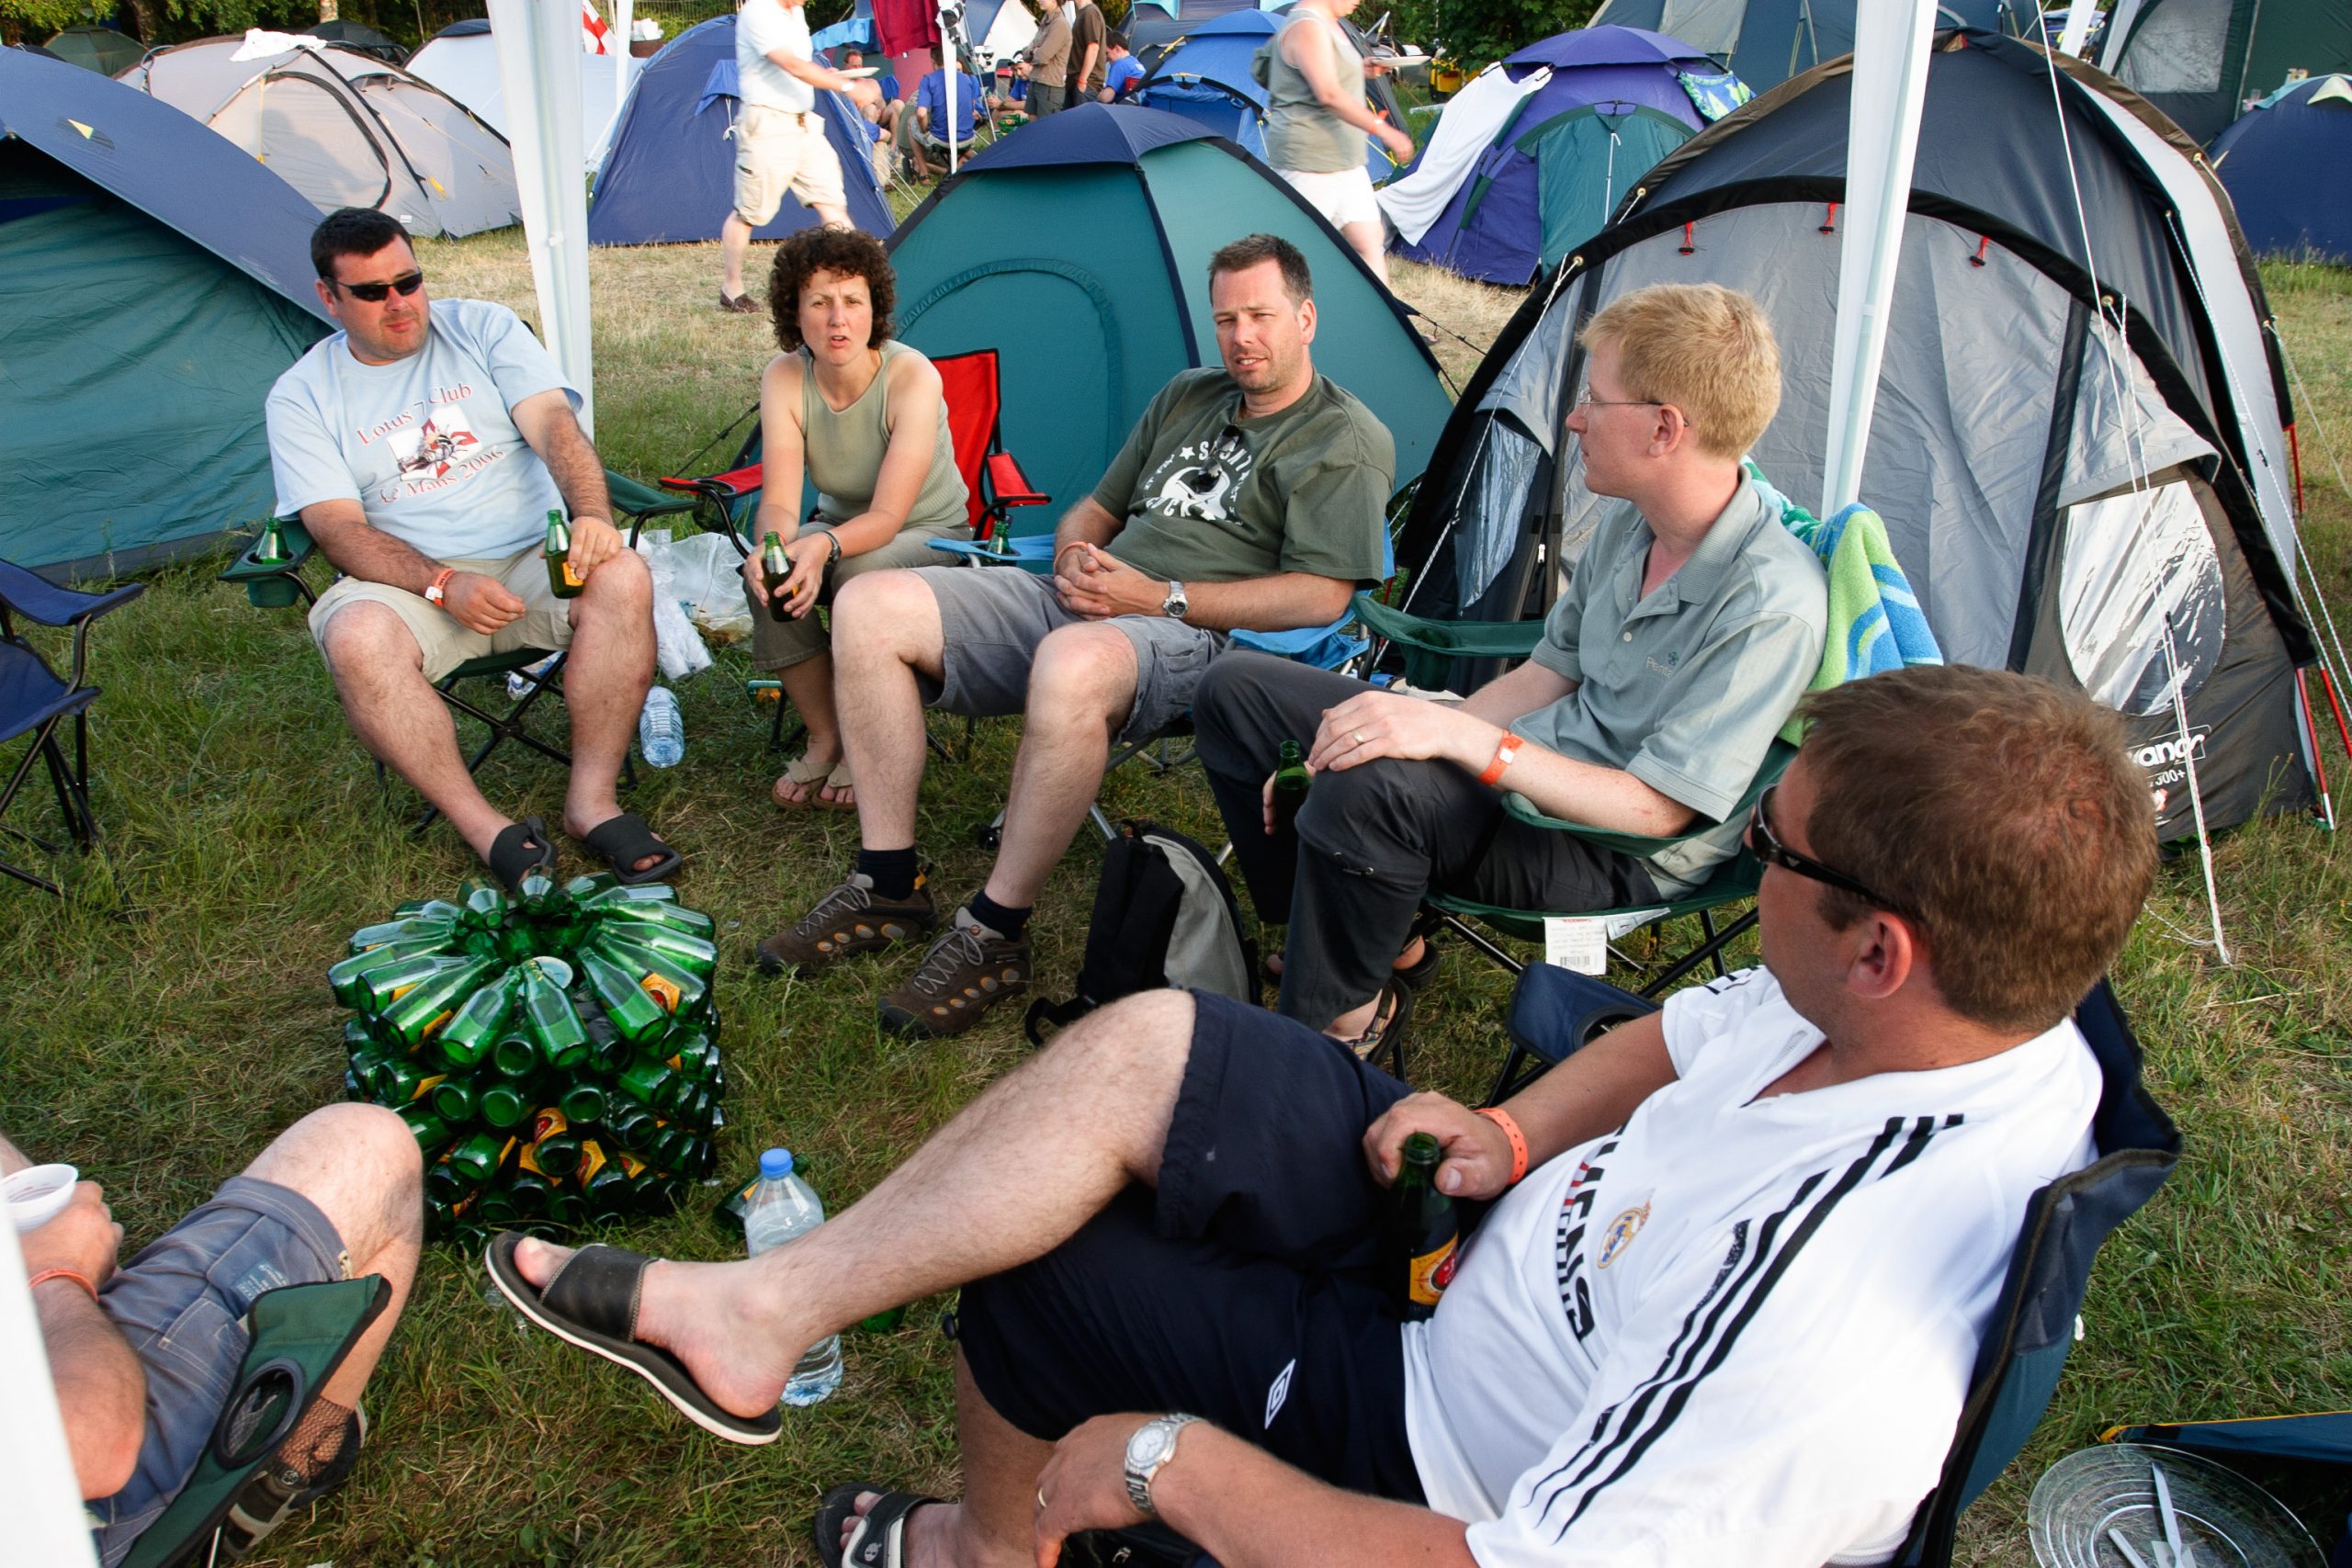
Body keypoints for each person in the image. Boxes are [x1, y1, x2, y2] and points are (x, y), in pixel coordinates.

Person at [486, 662, 2161, 1568]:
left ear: (1884, 946)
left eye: (1772, 856)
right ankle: (761, 1311)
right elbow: (1678, 1033)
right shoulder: (1942, 998)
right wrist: (1511, 1135)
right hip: (1486, 1233)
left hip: (1444, 1443)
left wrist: (1181, 1466)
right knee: (1157, 1040)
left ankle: (978, 1553)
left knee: (1048, 1292)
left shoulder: (1835, 1348)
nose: (1740, 866)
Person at [755, 232, 1393, 1037]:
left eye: (1261, 316)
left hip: (1203, 635)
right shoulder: (1188, 395)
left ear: (1306, 316)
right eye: (1227, 318)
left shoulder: (1343, 437)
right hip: (1088, 599)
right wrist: (1074, 558)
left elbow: (1322, 592)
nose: (1242, 338)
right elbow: (1095, 509)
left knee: (1067, 661)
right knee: (868, 606)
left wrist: (1158, 595)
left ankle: (995, 930)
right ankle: (887, 878)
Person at [1193, 281, 1825, 1055]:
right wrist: (1429, 724)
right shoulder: (1639, 522)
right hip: (1534, 768)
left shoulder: (1770, 602)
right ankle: (1360, 941)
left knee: (1365, 784)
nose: (1573, 417)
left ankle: (1339, 1029)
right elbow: (1546, 674)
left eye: (1596, 399)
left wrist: (1452, 741)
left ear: (1666, 429)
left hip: (1609, 851)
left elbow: (1657, 812)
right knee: (1238, 691)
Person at [266, 209, 679, 893]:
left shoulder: (482, 327)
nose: (399, 303)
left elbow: (555, 427)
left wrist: (593, 514)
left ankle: (593, 803)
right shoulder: (303, 396)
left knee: (625, 575)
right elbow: (337, 529)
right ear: (328, 298)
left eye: (409, 281)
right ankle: (486, 828)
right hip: (408, 582)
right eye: (372, 292)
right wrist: (440, 583)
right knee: (356, 637)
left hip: (529, 558)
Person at [18, 1105, 423, 1566]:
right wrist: (55, 1274)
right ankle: (281, 1472)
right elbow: (94, 1450)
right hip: (68, 1503)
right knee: (368, 1144)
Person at [737, 227, 971, 811]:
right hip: (843, 527)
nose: (837, 320)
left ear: (875, 308)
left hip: (930, 533)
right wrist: (774, 546)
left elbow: (890, 515)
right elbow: (783, 501)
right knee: (773, 574)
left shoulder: (910, 375)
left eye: (852, 301)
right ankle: (826, 730)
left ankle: (865, 734)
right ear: (795, 311)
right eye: (819, 302)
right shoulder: (786, 377)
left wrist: (822, 549)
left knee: (853, 575)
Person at [718, 0, 862, 314]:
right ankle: (732, 289)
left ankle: (852, 281)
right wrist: (847, 85)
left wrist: (830, 73)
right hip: (767, 124)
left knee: (832, 202)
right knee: (749, 212)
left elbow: (803, 64)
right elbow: (791, 64)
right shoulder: (758, 11)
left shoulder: (796, 13)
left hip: (804, 123)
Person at [1261, 0, 1415, 286]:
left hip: (1345, 158)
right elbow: (1329, 93)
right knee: (1295, 257)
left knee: (1369, 242)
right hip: (1310, 160)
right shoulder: (1307, 26)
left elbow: (1325, 71)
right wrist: (1384, 129)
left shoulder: (1327, 23)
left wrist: (1359, 68)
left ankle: (1382, 324)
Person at [908, 43, 983, 179]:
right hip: (968, 138)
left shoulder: (928, 80)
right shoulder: (967, 79)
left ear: (932, 60)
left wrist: (924, 129)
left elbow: (921, 113)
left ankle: (924, 173)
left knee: (911, 121)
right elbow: (971, 109)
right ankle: (956, 170)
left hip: (942, 139)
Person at [1025, 4, 1069, 118]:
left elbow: (1042, 57)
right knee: (1032, 126)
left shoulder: (1060, 24)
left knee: (1046, 130)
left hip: (1049, 85)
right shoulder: (1045, 21)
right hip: (1036, 80)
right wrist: (1033, 51)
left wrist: (1034, 51)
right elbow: (1025, 54)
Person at [1066, 0, 1107, 107]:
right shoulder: (1083, 12)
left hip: (1086, 83)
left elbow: (1093, 47)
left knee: (1081, 122)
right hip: (1078, 82)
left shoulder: (1090, 12)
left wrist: (1083, 80)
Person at [1100, 32, 1143, 100]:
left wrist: (1098, 95)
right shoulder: (1136, 63)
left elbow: (1106, 98)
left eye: (1107, 53)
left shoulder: (1120, 64)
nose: (1106, 57)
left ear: (1117, 48)